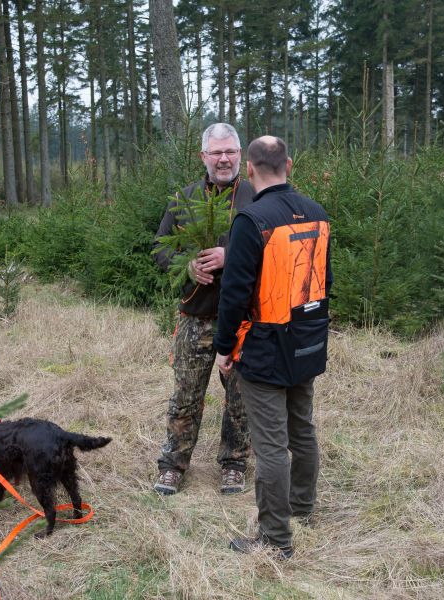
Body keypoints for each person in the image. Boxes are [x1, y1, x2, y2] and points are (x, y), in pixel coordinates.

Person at [213, 135, 332, 559]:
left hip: (265, 348)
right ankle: (302, 509)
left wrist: (224, 349)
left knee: (270, 446)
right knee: (302, 430)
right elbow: (326, 282)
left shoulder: (252, 220)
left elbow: (234, 293)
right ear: (290, 165)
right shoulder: (318, 213)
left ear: (249, 169)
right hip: (309, 342)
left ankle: (276, 539)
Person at [152, 123, 255, 496]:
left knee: (241, 398)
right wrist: (187, 265)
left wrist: (233, 255)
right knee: (185, 395)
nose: (224, 159)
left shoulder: (256, 199)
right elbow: (160, 248)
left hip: (245, 321)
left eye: (230, 152)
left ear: (240, 155)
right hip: (196, 316)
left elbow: (273, 250)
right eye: (216, 152)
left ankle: (234, 463)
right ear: (203, 157)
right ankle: (173, 465)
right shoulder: (184, 198)